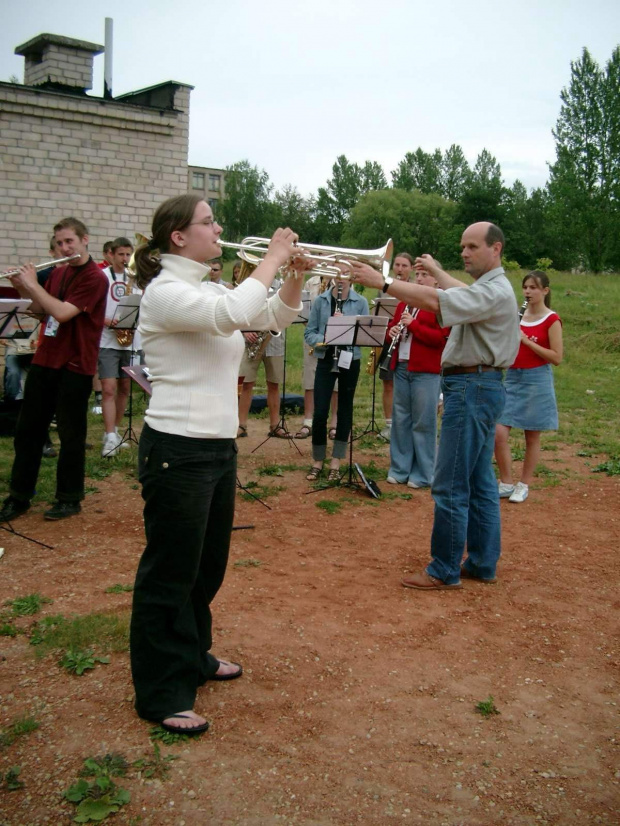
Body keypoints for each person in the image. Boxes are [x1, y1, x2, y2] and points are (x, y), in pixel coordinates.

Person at [129, 193, 307, 734]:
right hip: (177, 448)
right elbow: (231, 314)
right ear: (178, 236)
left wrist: (294, 277)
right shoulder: (165, 293)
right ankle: (161, 692)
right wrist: (272, 257)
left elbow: (269, 317)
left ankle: (194, 655)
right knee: (170, 571)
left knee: (206, 566)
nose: (219, 227)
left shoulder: (207, 287)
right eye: (208, 222)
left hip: (214, 445)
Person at [350, 222, 519, 590]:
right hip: (479, 385)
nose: (464, 252)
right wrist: (439, 271)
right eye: (463, 246)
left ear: (497, 249)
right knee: (480, 482)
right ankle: (482, 562)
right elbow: (458, 292)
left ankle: (444, 568)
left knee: (449, 485)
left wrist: (383, 283)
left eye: (473, 247)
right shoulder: (490, 288)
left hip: (471, 387)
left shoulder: (493, 291)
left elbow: (437, 300)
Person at [0, 218, 108, 522]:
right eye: (59, 243)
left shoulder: (95, 278)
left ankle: (69, 498)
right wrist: (23, 288)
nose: (64, 248)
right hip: (46, 358)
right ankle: (19, 496)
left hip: (75, 363)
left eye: (69, 242)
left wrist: (34, 285)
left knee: (71, 434)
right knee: (28, 431)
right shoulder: (58, 273)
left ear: (84, 240)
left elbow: (61, 313)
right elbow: (40, 309)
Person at [494, 271, 563, 503]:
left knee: (531, 435)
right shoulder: (517, 316)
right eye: (525, 287)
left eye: (533, 288)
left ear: (545, 291)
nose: (528, 292)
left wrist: (526, 341)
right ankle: (506, 481)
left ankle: (524, 484)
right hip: (513, 377)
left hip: (537, 379)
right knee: (498, 432)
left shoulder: (551, 319)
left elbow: (556, 357)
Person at [385, 267, 449, 488]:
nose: (419, 279)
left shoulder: (438, 305)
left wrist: (414, 325)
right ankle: (400, 469)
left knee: (423, 422)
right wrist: (391, 331)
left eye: (424, 276)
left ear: (435, 281)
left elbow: (440, 340)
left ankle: (424, 473)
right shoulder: (404, 303)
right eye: (417, 276)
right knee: (401, 419)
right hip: (402, 367)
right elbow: (393, 328)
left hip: (426, 371)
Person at [304, 276, 369, 482]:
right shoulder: (321, 301)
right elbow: (309, 333)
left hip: (350, 359)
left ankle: (336, 460)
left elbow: (365, 336)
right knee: (320, 410)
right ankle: (317, 459)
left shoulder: (360, 302)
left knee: (344, 410)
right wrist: (325, 338)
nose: (341, 281)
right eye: (338, 276)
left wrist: (345, 330)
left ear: (352, 279)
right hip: (326, 358)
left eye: (346, 277)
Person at [99, 237, 135, 457]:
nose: (125, 259)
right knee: (109, 388)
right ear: (111, 255)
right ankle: (109, 434)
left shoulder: (135, 278)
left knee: (124, 389)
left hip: (130, 341)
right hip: (107, 339)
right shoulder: (102, 277)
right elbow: (92, 307)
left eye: (128, 254)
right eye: (121, 254)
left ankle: (114, 432)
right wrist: (107, 321)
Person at [237, 288, 288, 439]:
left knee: (274, 384)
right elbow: (238, 311)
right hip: (252, 340)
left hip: (275, 342)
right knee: (245, 383)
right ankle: (241, 424)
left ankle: (275, 425)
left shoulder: (281, 285)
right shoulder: (252, 284)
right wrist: (245, 330)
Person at [295, 274, 338, 440]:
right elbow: (303, 311)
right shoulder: (310, 282)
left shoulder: (341, 281)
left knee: (336, 382)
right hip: (314, 337)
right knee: (310, 378)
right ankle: (308, 421)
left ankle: (334, 422)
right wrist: (315, 331)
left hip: (337, 336)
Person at [378, 253, 414, 441]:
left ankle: (406, 424)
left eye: (404, 265)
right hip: (390, 339)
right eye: (397, 265)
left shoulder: (416, 288)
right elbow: (380, 318)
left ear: (411, 268)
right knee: (388, 383)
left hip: (408, 341)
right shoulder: (384, 288)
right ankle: (389, 424)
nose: (400, 269)